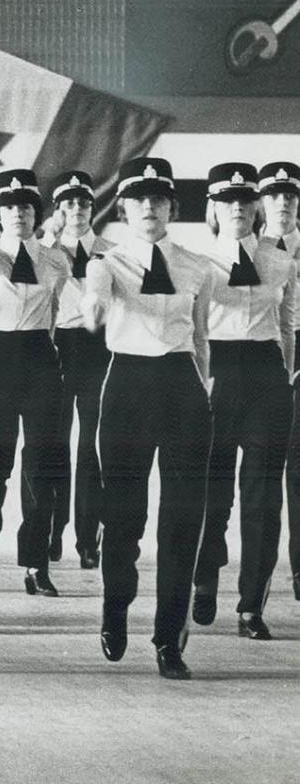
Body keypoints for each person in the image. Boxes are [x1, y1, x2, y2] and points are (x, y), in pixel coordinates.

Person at [82, 156, 217, 680]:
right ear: (125, 209)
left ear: (171, 207)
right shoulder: (105, 263)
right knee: (124, 516)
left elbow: (201, 337)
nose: (149, 208)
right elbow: (94, 306)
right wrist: (93, 307)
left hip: (182, 386)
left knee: (183, 520)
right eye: (138, 199)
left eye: (158, 199)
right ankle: (116, 606)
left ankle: (169, 640)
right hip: (128, 388)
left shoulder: (196, 266)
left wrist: (203, 389)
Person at [192, 163, 294, 641]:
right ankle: (204, 578)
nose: (237, 207)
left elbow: (288, 324)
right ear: (212, 208)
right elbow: (191, 330)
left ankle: (251, 606)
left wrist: (286, 380)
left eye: (245, 200)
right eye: (227, 200)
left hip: (266, 375)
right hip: (215, 372)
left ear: (257, 208)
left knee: (262, 497)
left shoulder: (280, 259)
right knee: (212, 492)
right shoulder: (197, 261)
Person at [0, 168, 71, 597]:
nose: (18, 214)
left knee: (43, 462)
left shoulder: (53, 258)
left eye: (26, 206)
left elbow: (57, 304)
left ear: (35, 213)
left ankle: (35, 563)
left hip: (41, 358)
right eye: (9, 207)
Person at [45, 170, 110, 570]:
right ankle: (52, 533)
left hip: (98, 348)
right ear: (58, 210)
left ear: (92, 207)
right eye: (68, 204)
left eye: (83, 203)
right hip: (56, 346)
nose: (76, 211)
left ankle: (89, 539)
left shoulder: (111, 250)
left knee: (92, 447)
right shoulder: (43, 252)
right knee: (53, 444)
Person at [261, 161, 300, 602]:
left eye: (290, 195)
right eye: (274, 195)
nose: (284, 202)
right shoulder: (248, 251)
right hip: (264, 357)